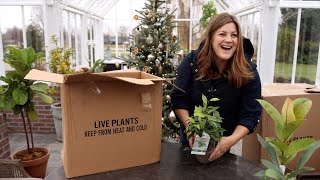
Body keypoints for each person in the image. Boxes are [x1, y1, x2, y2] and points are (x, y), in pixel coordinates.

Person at [171, 13, 262, 162]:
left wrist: (231, 140)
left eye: (234, 35)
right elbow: (179, 98)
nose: (228, 40)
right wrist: (190, 128)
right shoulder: (192, 62)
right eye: (222, 34)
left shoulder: (248, 71)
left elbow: (251, 114)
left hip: (224, 141)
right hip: (191, 137)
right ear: (211, 37)